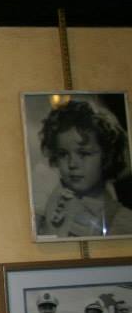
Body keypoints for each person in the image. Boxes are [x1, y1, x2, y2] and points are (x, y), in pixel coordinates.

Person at [35, 99, 132, 238]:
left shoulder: (125, 221)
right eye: (63, 154)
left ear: (107, 155)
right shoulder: (47, 208)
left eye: (84, 153)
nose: (72, 164)